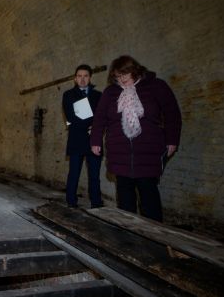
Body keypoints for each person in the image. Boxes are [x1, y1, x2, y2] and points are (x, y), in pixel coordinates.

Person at [90, 55, 182, 222]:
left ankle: (154, 236)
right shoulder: (111, 92)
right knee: (125, 197)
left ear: (135, 70)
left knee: (149, 194)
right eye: (117, 76)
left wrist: (172, 140)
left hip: (148, 150)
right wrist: (95, 141)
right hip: (120, 152)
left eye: (124, 74)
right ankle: (127, 235)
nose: (121, 79)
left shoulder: (155, 86)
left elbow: (172, 114)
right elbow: (100, 118)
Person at [62, 65, 103, 208]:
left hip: (94, 139)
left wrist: (96, 128)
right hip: (76, 139)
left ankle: (96, 204)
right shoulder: (68, 95)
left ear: (90, 77)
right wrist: (91, 126)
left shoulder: (98, 95)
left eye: (85, 76)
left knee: (94, 175)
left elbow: (102, 115)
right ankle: (71, 202)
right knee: (74, 173)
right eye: (79, 76)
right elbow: (71, 116)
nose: (82, 79)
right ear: (75, 78)